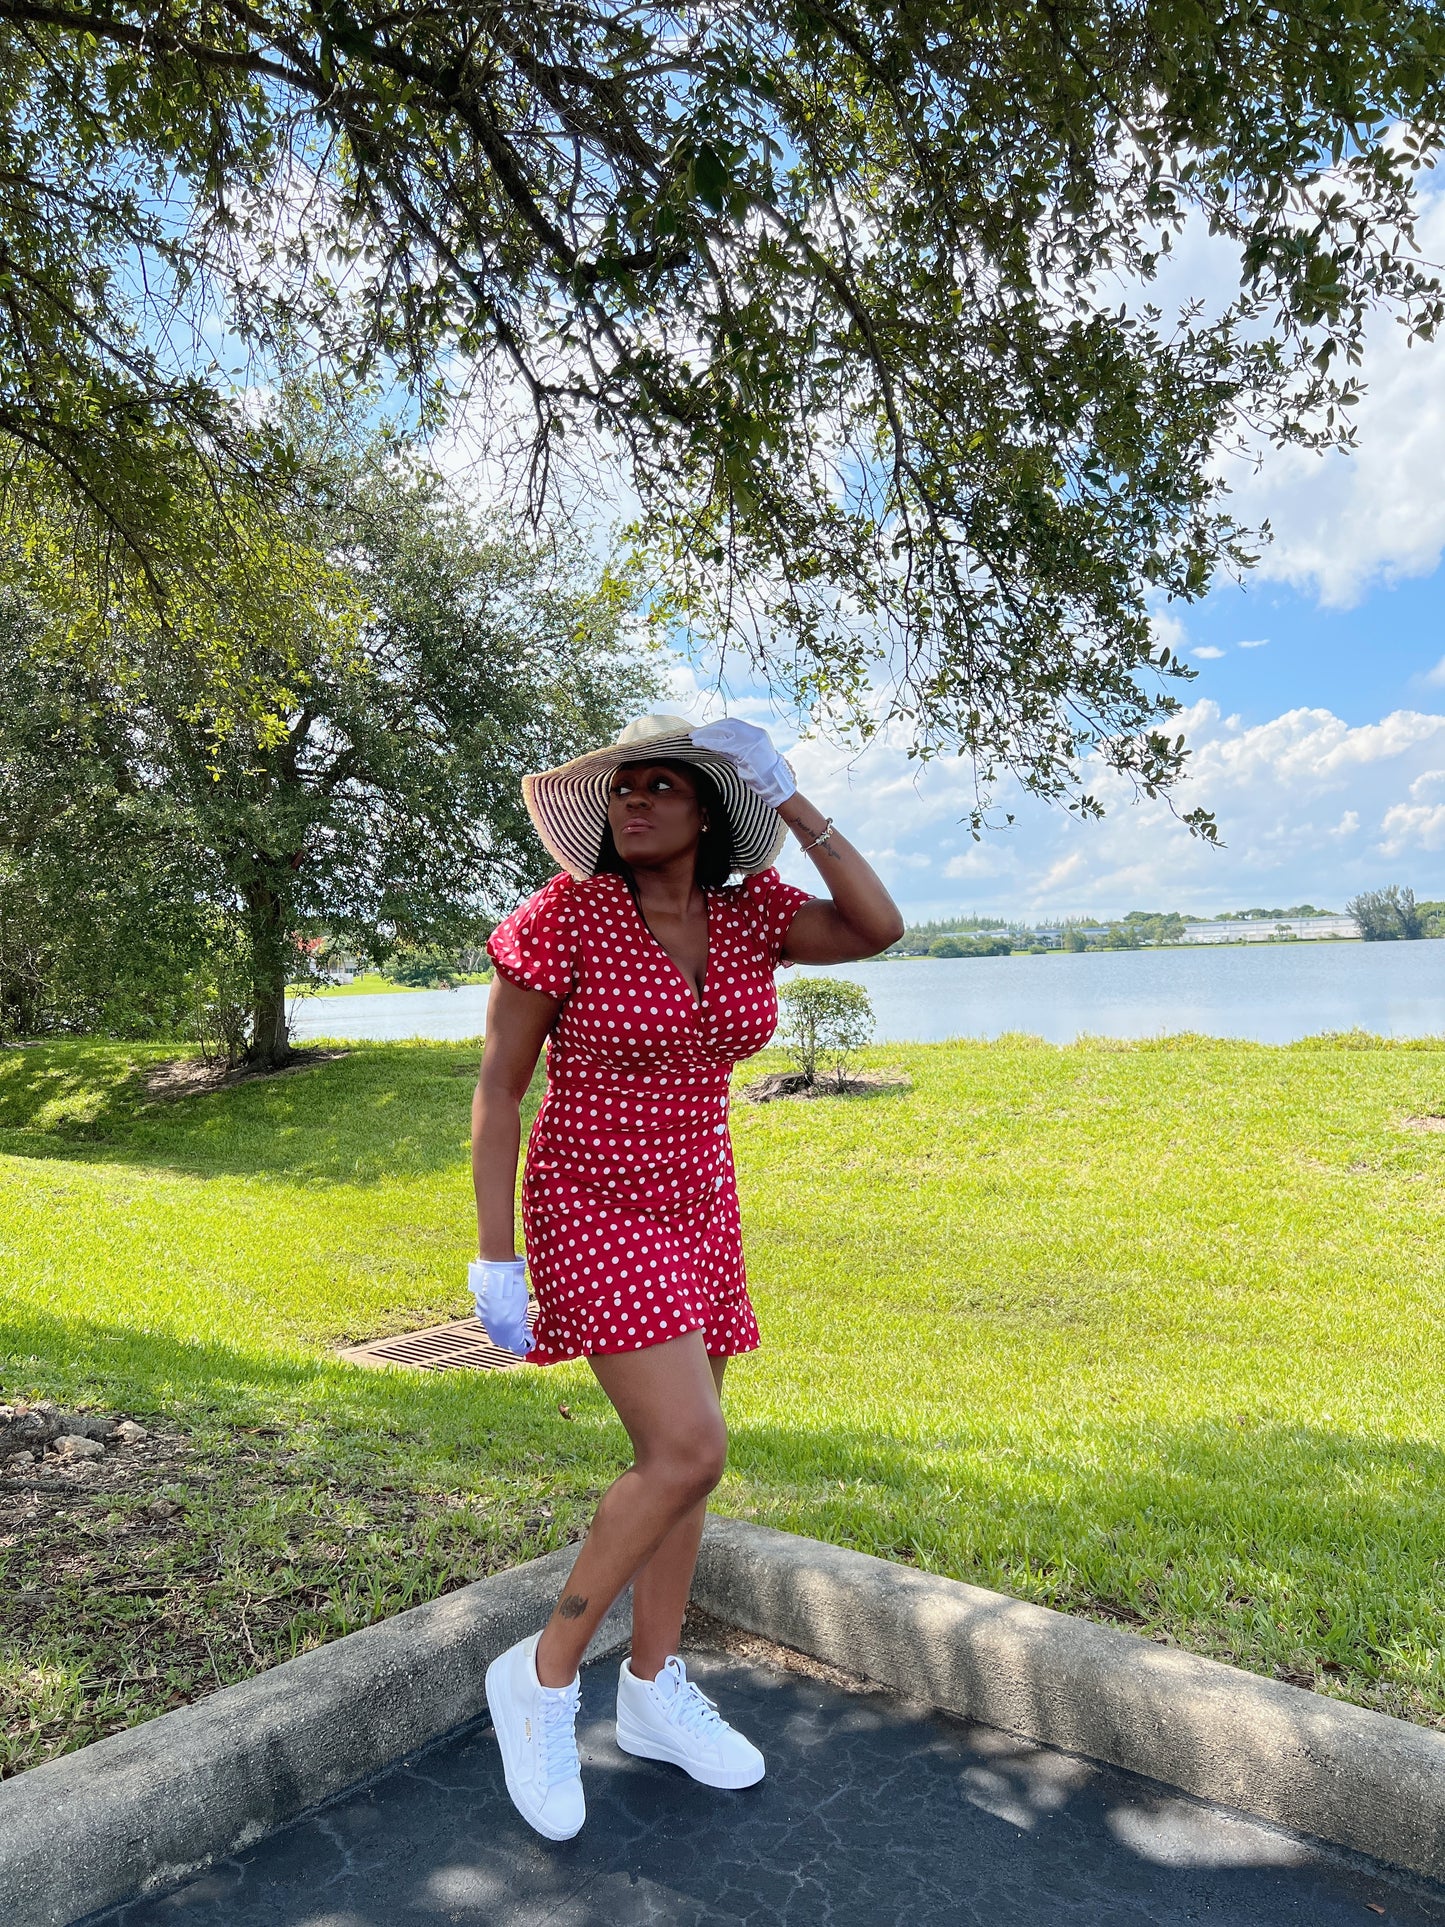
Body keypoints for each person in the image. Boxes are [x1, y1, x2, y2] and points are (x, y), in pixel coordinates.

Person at [470, 713, 902, 1839]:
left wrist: (791, 795)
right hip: (591, 1200)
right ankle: (543, 1675)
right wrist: (494, 1255)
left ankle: (654, 1688)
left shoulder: (750, 912)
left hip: (700, 1202)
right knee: (686, 1449)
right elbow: (500, 1090)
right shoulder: (566, 917)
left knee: (687, 1470)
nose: (635, 799)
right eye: (624, 787)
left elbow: (876, 925)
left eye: (663, 785)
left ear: (709, 810)